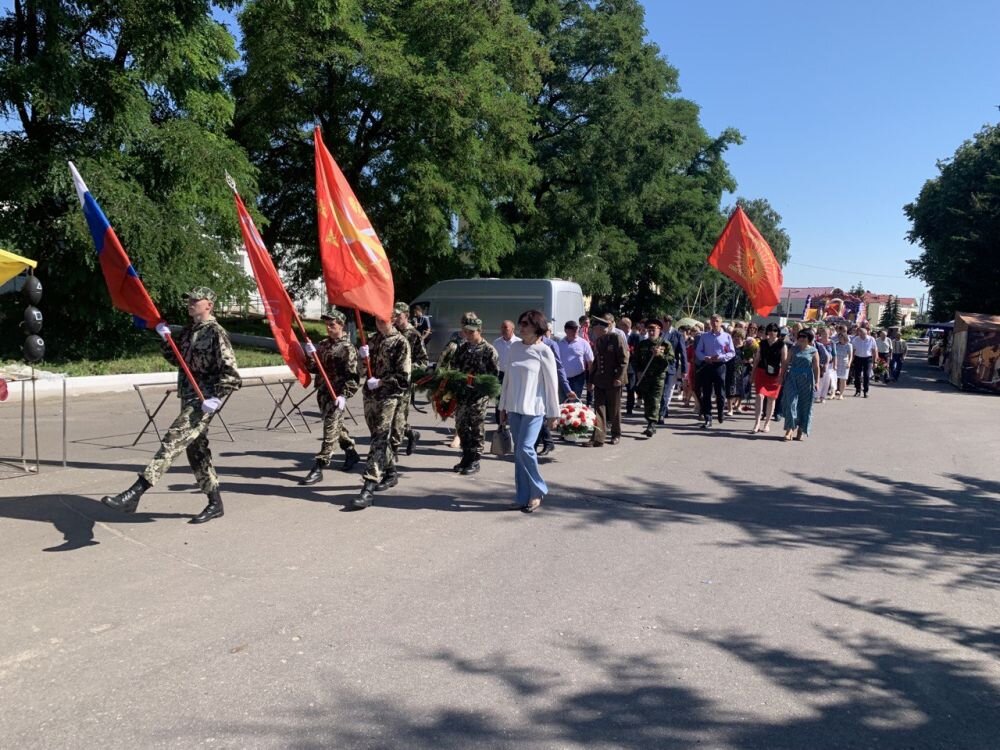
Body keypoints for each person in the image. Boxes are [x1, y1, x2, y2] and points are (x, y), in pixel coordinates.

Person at [101, 287, 241, 523]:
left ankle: (135, 492)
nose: (191, 303)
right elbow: (177, 359)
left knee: (172, 440)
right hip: (188, 396)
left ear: (209, 305)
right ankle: (215, 503)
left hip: (203, 399)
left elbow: (232, 374)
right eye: (189, 299)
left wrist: (215, 399)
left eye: (196, 300)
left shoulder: (217, 333)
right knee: (196, 451)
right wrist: (165, 338)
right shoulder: (188, 332)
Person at [498, 310, 560, 513]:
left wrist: (554, 413)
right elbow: (507, 379)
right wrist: (502, 406)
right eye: (521, 323)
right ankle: (522, 496)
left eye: (526, 323)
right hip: (514, 408)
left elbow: (552, 384)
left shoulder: (544, 351)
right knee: (519, 453)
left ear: (537, 327)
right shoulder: (515, 347)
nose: (521, 326)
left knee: (525, 448)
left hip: (535, 408)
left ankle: (538, 490)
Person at [352, 312, 411, 510]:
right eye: (376, 320)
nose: (379, 324)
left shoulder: (400, 342)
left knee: (379, 438)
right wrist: (361, 358)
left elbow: (403, 378)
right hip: (370, 397)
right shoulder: (371, 340)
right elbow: (360, 372)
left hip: (389, 397)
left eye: (383, 320)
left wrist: (382, 382)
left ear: (392, 320)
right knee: (378, 438)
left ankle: (368, 487)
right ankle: (391, 471)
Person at [298, 308, 361, 485]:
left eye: (332, 325)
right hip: (324, 392)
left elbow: (353, 376)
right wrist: (311, 355)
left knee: (329, 430)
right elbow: (315, 368)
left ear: (341, 325)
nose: (328, 328)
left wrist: (344, 395)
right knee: (334, 425)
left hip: (337, 394)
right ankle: (350, 451)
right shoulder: (324, 344)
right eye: (327, 325)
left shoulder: (348, 348)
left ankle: (319, 466)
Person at [451, 313, 499, 475]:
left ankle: (475, 459)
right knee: (461, 425)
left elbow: (493, 377)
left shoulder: (488, 350)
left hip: (479, 396)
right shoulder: (463, 348)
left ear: (480, 330)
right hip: (463, 395)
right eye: (466, 331)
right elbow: (455, 368)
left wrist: (477, 381)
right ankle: (466, 456)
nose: (469, 334)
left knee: (476, 426)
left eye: (472, 332)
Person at [392, 301, 428, 456]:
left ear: (406, 315)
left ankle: (391, 454)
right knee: (392, 418)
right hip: (389, 381)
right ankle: (412, 434)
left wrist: (407, 370)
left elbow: (423, 361)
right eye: (393, 315)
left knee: (397, 418)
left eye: (398, 315)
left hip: (404, 383)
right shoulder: (391, 332)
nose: (395, 317)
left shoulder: (414, 335)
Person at [585, 316, 628, 446]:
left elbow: (624, 360)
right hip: (600, 380)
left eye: (596, 329)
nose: (594, 331)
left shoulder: (615, 338)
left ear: (603, 328)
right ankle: (598, 438)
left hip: (614, 380)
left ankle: (616, 434)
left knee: (614, 409)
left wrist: (619, 378)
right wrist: (591, 380)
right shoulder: (599, 341)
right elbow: (597, 363)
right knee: (599, 408)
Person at [535, 329, 574, 455]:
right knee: (536, 415)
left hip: (547, 385)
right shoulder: (526, 344)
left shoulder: (551, 345)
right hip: (533, 385)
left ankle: (543, 443)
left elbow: (559, 366)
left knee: (541, 415)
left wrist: (567, 388)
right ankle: (545, 443)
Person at [694, 313, 735, 428]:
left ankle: (720, 412)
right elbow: (698, 351)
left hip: (720, 366)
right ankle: (708, 418)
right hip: (707, 366)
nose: (714, 323)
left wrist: (721, 357)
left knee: (720, 393)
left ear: (721, 322)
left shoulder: (727, 336)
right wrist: (704, 357)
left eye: (717, 321)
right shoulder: (705, 336)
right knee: (706, 393)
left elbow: (732, 352)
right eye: (712, 321)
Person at [633, 319, 671, 437]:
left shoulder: (665, 344)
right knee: (647, 400)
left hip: (658, 376)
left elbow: (670, 360)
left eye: (653, 329)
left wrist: (660, 355)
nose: (651, 331)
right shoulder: (642, 344)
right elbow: (636, 360)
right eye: (649, 329)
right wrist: (638, 371)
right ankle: (650, 421)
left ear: (659, 330)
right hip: (645, 376)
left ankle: (652, 424)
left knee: (655, 399)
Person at [782, 328, 820, 441]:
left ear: (809, 338)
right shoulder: (793, 349)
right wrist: (781, 376)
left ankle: (801, 429)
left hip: (807, 379)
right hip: (792, 378)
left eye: (804, 336)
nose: (802, 338)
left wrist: (817, 381)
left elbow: (816, 367)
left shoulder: (813, 351)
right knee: (790, 403)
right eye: (800, 336)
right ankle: (789, 429)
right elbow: (786, 363)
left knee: (804, 405)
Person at [750, 323, 787, 433]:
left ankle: (767, 423)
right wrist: (752, 374)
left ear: (778, 332)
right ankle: (757, 423)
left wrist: (782, 376)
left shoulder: (782, 345)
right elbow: (757, 359)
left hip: (775, 374)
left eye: (775, 330)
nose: (772, 332)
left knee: (771, 399)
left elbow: (784, 362)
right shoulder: (762, 343)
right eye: (770, 330)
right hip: (761, 372)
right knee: (759, 396)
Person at [658, 315, 687, 422]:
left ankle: (661, 413)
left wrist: (684, 370)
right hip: (658, 366)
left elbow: (683, 353)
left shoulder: (677, 335)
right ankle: (664, 409)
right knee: (661, 391)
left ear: (668, 323)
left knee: (667, 390)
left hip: (671, 366)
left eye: (662, 322)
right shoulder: (659, 333)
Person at [558, 319, 593, 397]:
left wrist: (590, 380)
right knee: (562, 402)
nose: (575, 332)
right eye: (573, 330)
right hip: (563, 379)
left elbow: (590, 361)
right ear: (566, 330)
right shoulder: (560, 344)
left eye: (576, 329)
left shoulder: (584, 343)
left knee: (575, 402)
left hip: (578, 378)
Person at [850, 325, 877, 397]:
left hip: (868, 359)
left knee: (866, 375)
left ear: (866, 333)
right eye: (860, 334)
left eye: (863, 334)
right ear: (859, 333)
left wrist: (875, 362)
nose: (862, 336)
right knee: (857, 375)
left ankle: (866, 391)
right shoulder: (856, 339)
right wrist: (851, 361)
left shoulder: (871, 339)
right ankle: (858, 390)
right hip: (858, 358)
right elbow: (853, 351)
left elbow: (874, 351)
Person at [831, 326, 854, 399]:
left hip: (844, 363)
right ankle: (833, 393)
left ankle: (841, 394)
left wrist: (849, 363)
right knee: (834, 379)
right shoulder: (836, 344)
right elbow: (833, 354)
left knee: (843, 379)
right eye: (839, 338)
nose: (839, 339)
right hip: (837, 363)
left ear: (845, 338)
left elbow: (850, 355)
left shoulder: (849, 345)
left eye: (841, 337)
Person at [815, 327, 836, 401]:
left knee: (826, 381)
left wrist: (835, 365)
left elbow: (834, 354)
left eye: (826, 333)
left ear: (829, 334)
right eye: (823, 333)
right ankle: (816, 395)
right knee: (819, 379)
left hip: (829, 364)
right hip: (819, 363)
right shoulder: (817, 341)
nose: (825, 335)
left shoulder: (832, 342)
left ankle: (822, 396)